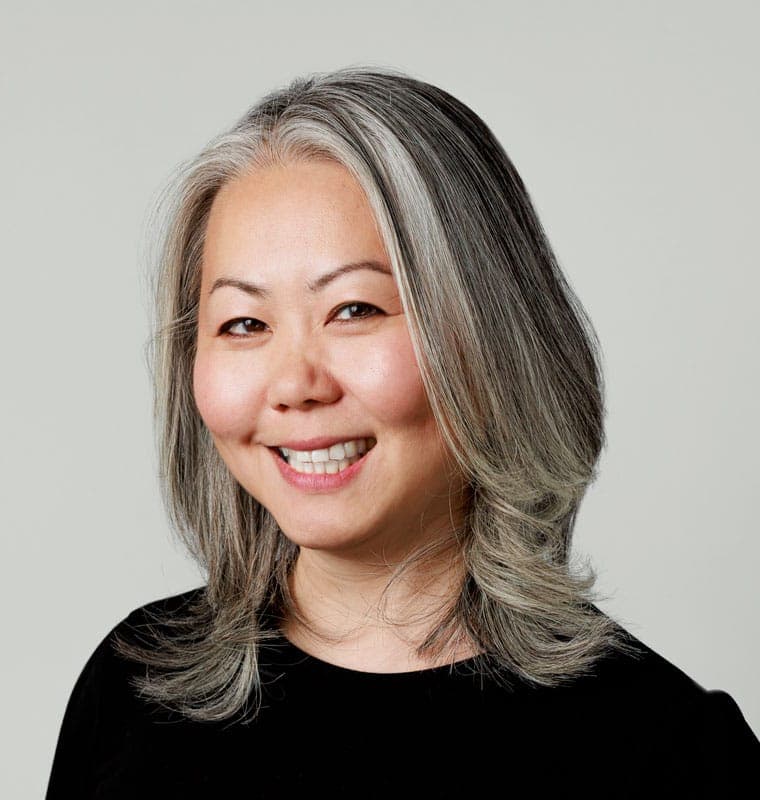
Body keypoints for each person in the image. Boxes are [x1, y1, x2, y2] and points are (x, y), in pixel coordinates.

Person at [46, 65, 759, 798]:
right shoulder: (131, 693)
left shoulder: (672, 755)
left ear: (493, 337)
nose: (295, 385)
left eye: (356, 309)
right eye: (245, 323)